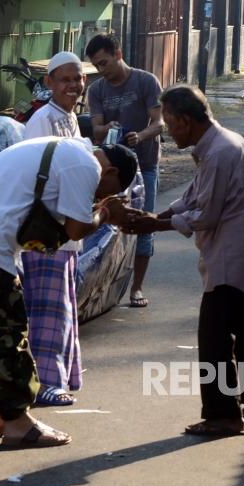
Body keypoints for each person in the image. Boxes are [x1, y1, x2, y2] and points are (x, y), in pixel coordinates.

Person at [0, 138, 138, 448]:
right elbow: (76, 230)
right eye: (107, 189)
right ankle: (17, 421)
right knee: (8, 330)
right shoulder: (87, 166)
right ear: (109, 170)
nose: (101, 195)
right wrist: (107, 213)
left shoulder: (67, 149)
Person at [122, 85, 244, 437]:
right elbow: (194, 195)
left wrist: (154, 224)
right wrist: (156, 215)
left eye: (170, 125)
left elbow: (205, 215)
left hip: (231, 261)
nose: (168, 132)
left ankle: (223, 415)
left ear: (185, 121)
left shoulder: (221, 153)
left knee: (215, 341)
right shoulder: (222, 145)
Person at [21, 51, 87, 405]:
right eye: (65, 80)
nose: (73, 86)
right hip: (46, 233)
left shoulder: (71, 118)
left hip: (65, 231)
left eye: (77, 79)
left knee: (62, 309)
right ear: (49, 83)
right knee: (47, 311)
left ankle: (59, 378)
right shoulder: (42, 119)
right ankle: (45, 384)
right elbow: (35, 177)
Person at [86, 33, 164, 308]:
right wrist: (104, 130)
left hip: (146, 165)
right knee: (106, 227)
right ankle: (102, 287)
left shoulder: (145, 81)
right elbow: (95, 128)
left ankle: (137, 288)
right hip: (113, 174)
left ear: (118, 53)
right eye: (96, 66)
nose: (101, 70)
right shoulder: (96, 90)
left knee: (143, 225)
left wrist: (140, 137)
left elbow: (159, 123)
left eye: (104, 62)